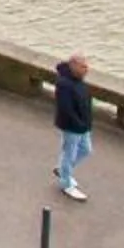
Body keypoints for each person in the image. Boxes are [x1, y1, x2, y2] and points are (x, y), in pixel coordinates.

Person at [52, 52, 94, 201]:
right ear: (73, 66)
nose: (86, 69)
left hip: (82, 125)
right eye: (83, 66)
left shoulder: (78, 81)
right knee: (69, 153)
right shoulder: (64, 84)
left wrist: (86, 123)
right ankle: (66, 184)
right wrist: (78, 123)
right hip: (72, 126)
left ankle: (63, 170)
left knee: (86, 149)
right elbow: (65, 108)